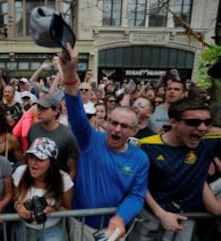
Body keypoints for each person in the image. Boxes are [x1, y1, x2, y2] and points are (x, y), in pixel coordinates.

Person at [58, 43, 149, 238]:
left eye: (124, 126)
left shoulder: (140, 159)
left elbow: (136, 195)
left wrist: (121, 217)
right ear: (106, 122)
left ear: (134, 130)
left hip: (113, 230)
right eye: (113, 123)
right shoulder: (90, 139)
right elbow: (76, 113)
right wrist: (69, 75)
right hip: (80, 224)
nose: (117, 129)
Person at [128, 98, 221, 241]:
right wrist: (161, 214)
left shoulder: (209, 142)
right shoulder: (146, 146)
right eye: (193, 122)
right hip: (149, 223)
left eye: (207, 122)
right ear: (173, 122)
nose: (202, 128)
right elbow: (137, 183)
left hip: (186, 222)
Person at [13, 137, 73, 241]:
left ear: (51, 162)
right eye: (31, 157)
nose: (33, 163)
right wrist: (19, 207)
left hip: (53, 231)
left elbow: (67, 208)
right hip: (24, 229)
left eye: (40, 159)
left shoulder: (63, 178)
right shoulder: (20, 172)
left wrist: (53, 209)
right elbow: (16, 199)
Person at [27, 94, 79, 180]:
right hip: (35, 182)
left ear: (56, 111)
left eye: (43, 109)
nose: (39, 112)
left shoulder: (68, 135)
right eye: (38, 108)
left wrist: (63, 189)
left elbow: (73, 169)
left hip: (57, 183)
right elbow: (29, 156)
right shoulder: (33, 128)